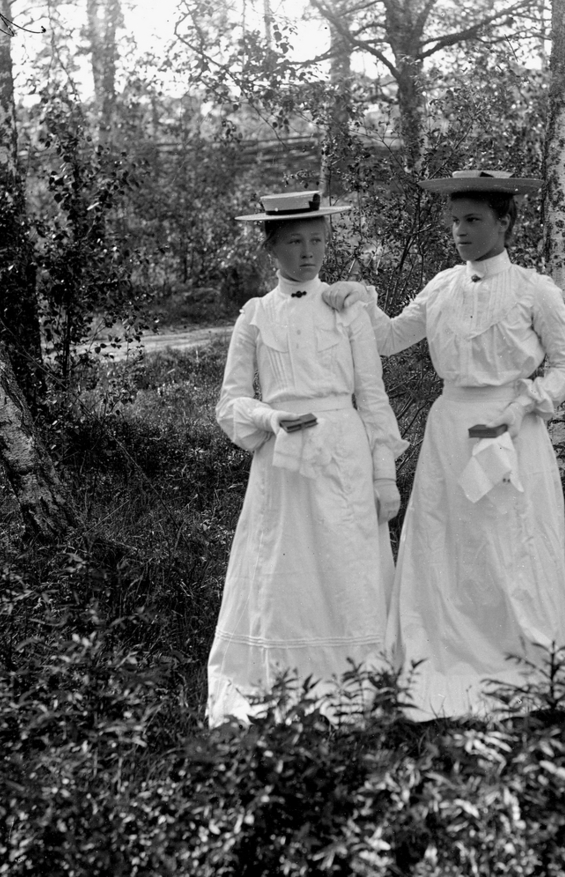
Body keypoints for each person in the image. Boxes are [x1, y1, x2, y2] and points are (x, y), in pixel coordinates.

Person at [323, 170, 565, 720]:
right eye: (455, 221)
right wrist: (362, 300)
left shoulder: (535, 290)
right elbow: (391, 338)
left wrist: (525, 404)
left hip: (511, 432)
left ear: (504, 223)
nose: (460, 231)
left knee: (509, 547)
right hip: (450, 431)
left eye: (473, 220)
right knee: (446, 546)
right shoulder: (442, 285)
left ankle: (524, 666)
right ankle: (442, 659)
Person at [207, 190, 408, 727]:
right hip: (283, 462)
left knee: (347, 564)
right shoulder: (255, 315)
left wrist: (384, 475)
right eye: (295, 241)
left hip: (344, 454)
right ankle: (282, 684)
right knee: (284, 569)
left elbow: (372, 396)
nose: (308, 253)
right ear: (271, 247)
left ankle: (359, 686)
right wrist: (271, 418)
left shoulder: (346, 307)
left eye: (317, 240)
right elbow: (230, 402)